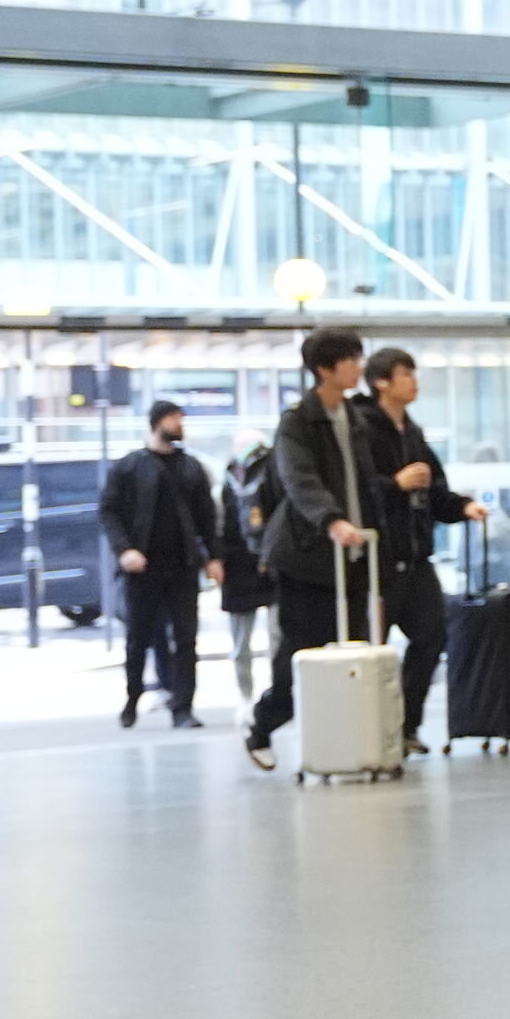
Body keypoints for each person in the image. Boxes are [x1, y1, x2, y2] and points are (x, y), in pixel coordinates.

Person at [245, 328, 373, 770]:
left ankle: (348, 745)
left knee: (355, 650)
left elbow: (367, 485)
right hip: (305, 556)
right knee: (300, 653)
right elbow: (301, 481)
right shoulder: (298, 420)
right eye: (350, 360)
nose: (359, 367)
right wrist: (332, 520)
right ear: (325, 369)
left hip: (353, 557)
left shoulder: (356, 419)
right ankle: (262, 725)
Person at [349, 348, 488, 754]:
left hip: (415, 557)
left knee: (431, 635)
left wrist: (462, 506)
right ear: (381, 382)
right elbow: (357, 490)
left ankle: (406, 726)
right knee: (370, 646)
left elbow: (436, 491)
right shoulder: (360, 429)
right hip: (377, 561)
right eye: (405, 374)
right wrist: (397, 483)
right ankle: (370, 733)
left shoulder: (412, 431)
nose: (414, 381)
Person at [99, 402, 220, 729]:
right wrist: (124, 551)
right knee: (138, 637)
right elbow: (108, 512)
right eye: (174, 418)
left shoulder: (191, 467)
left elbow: (207, 517)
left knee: (186, 638)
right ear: (156, 423)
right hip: (143, 568)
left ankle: (183, 707)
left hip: (182, 566)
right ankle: (132, 697)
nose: (180, 423)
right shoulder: (129, 467)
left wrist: (213, 557)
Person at [216, 437, 273, 706]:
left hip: (269, 563)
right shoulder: (225, 485)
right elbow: (216, 523)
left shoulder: (272, 477)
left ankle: (277, 693)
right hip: (236, 565)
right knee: (241, 644)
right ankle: (246, 696)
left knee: (277, 638)